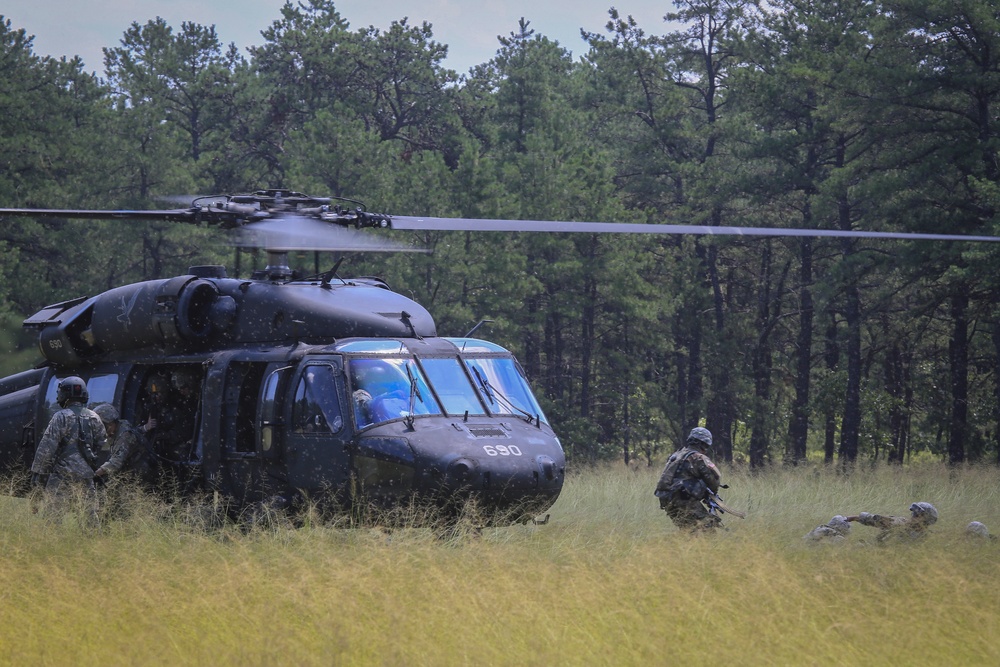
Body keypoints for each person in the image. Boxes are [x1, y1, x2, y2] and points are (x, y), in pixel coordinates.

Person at [29, 376, 107, 502]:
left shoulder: (60, 417)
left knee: (53, 518)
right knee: (89, 518)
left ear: (64, 394)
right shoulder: (94, 417)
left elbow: (46, 448)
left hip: (62, 476)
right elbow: (103, 446)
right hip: (87, 477)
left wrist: (38, 474)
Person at [654, 426, 723, 532]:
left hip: (667, 500)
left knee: (688, 530)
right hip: (684, 500)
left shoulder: (677, 455)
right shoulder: (699, 458)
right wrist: (711, 494)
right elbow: (714, 480)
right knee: (709, 529)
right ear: (703, 444)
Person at [92, 403, 153, 483]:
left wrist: (94, 474)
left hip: (138, 472)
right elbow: (105, 450)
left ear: (110, 424)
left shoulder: (124, 436)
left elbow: (115, 463)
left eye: (103, 426)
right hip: (129, 468)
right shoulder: (117, 428)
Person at [845, 502, 938, 542]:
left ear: (926, 519)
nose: (913, 516)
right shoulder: (902, 523)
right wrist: (854, 518)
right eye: (913, 514)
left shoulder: (928, 538)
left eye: (917, 515)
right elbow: (878, 520)